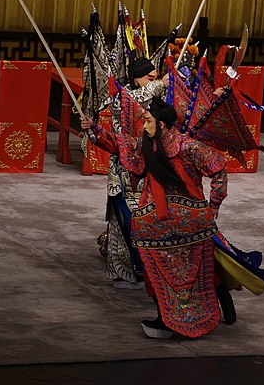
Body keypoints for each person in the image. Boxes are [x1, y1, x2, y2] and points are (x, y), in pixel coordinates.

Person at [82, 94, 227, 338]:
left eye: (147, 120)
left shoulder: (185, 146)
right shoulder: (155, 145)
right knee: (176, 270)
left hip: (159, 223)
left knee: (158, 267)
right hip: (190, 220)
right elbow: (219, 170)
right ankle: (171, 316)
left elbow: (119, 145)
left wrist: (214, 206)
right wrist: (94, 129)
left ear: (161, 124)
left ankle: (169, 316)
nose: (143, 124)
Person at [98, 57, 169, 289]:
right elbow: (132, 100)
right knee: (124, 221)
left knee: (147, 219)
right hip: (123, 170)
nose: (154, 79)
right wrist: (161, 83)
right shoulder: (124, 97)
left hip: (148, 169)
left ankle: (147, 270)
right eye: (150, 76)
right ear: (136, 79)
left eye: (156, 77)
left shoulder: (154, 100)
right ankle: (126, 271)